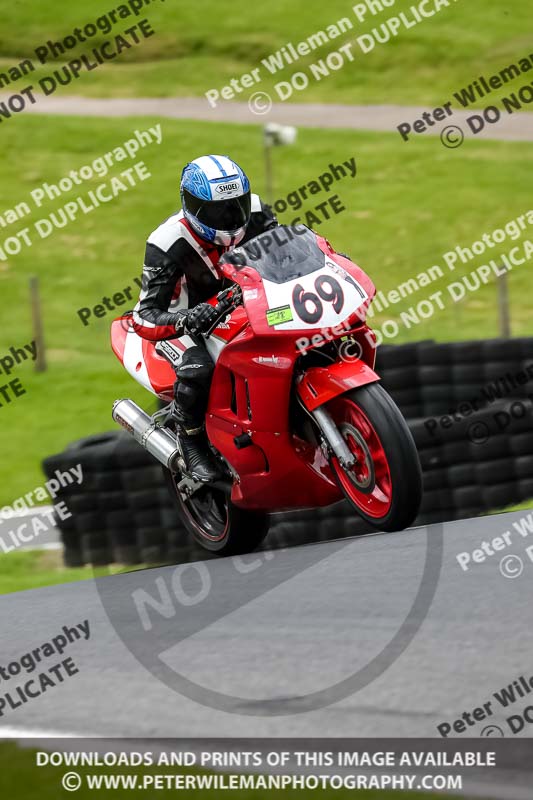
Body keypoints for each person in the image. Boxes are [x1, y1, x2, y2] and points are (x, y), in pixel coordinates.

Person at [132, 155, 277, 482]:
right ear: (192, 206)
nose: (229, 217)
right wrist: (186, 318)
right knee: (200, 369)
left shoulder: (255, 212)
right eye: (216, 211)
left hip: (244, 303)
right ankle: (190, 437)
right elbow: (144, 316)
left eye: (234, 206)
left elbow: (287, 249)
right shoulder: (167, 242)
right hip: (185, 323)